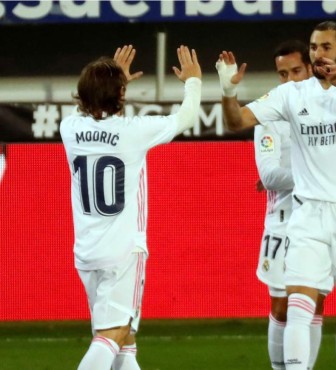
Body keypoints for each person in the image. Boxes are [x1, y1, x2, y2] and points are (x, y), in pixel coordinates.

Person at [216, 21, 336, 370]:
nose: (318, 53)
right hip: (308, 212)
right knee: (298, 301)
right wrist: (227, 91)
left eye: (325, 47)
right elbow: (237, 121)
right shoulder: (292, 94)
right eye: (314, 47)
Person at [60, 44, 202, 370]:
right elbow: (186, 116)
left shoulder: (69, 129)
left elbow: (98, 119)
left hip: (86, 253)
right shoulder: (134, 132)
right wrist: (193, 81)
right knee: (114, 333)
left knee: (125, 341)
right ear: (120, 95)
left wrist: (114, 86)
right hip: (123, 252)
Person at [254, 39, 326, 370]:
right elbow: (268, 175)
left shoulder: (329, 106)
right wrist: (317, 173)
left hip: (321, 219)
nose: (290, 80)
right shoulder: (268, 113)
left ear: (310, 68)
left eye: (296, 71)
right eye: (283, 74)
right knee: (281, 307)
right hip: (282, 221)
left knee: (314, 305)